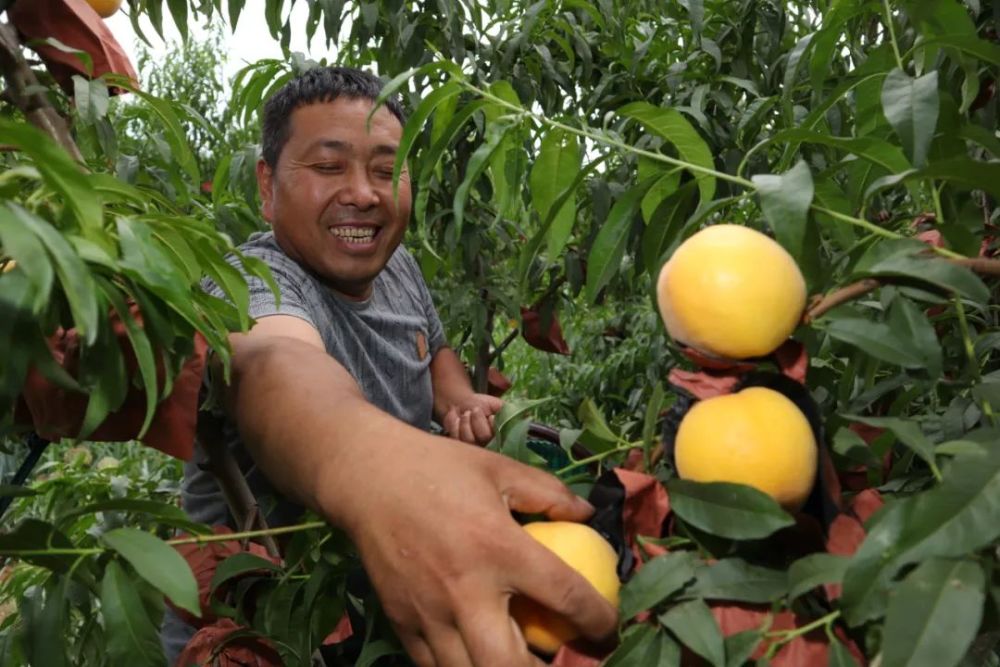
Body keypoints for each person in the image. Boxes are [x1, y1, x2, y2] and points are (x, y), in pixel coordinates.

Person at [161, 66, 618, 666]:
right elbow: (274, 365)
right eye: (329, 167)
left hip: (379, 605)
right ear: (267, 186)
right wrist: (380, 475)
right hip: (269, 630)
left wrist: (460, 405)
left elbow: (436, 359)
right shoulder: (251, 283)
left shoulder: (395, 264)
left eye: (384, 169)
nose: (364, 193)